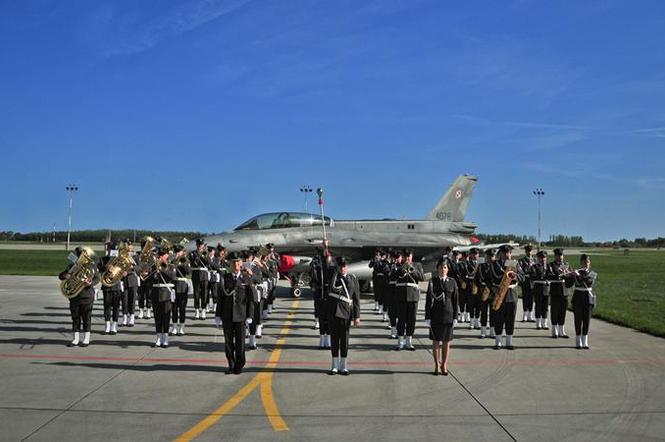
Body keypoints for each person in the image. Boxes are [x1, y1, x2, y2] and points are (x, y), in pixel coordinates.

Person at [219, 253, 254, 374]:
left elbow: (251, 298)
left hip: (241, 314)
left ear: (241, 264)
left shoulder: (246, 278)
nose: (235, 264)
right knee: (228, 342)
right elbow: (221, 297)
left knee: (240, 342)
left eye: (237, 262)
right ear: (230, 264)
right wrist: (218, 315)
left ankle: (240, 364)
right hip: (227, 315)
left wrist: (250, 315)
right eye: (233, 262)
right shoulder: (225, 278)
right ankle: (231, 364)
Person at [59, 247, 99, 347]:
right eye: (80, 255)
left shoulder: (92, 266)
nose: (81, 257)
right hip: (74, 296)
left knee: (87, 318)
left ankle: (86, 338)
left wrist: (90, 283)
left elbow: (97, 279)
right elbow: (60, 276)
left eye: (83, 255)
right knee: (75, 318)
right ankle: (75, 339)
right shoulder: (72, 265)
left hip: (87, 295)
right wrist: (65, 275)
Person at [327, 257, 361, 375]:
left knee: (345, 340)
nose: (342, 268)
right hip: (333, 312)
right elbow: (327, 262)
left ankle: (344, 366)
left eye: (344, 266)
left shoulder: (353, 279)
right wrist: (325, 248)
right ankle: (334, 366)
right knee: (334, 339)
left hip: (346, 313)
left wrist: (357, 316)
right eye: (341, 266)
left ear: (347, 267)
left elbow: (356, 299)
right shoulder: (333, 276)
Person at [425, 260, 458, 375]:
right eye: (440, 267)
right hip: (435, 315)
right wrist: (427, 317)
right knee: (435, 341)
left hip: (448, 314)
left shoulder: (452, 282)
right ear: (437, 269)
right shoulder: (433, 282)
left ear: (447, 269)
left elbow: (455, 300)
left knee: (446, 342)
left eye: (445, 267)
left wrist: (455, 317)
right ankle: (436, 365)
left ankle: (444, 365)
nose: (443, 270)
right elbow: (429, 300)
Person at [489, 245, 524, 350]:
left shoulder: (515, 264)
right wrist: (492, 288)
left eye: (508, 253)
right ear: (500, 254)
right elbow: (488, 279)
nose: (507, 255)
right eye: (504, 253)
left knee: (510, 319)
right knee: (498, 318)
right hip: (499, 293)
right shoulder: (494, 264)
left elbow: (523, 277)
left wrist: (515, 276)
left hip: (511, 294)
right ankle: (498, 342)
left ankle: (509, 342)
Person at [395, 249, 424, 351]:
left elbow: (422, 278)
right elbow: (393, 277)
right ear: (403, 257)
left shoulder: (417, 265)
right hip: (401, 296)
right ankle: (400, 342)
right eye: (406, 256)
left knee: (411, 320)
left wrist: (413, 270)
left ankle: (409, 342)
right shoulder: (398, 265)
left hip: (413, 296)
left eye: (409, 256)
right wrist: (401, 268)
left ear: (412, 257)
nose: (407, 258)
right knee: (401, 320)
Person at [150, 248, 176, 348]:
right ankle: (158, 338)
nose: (162, 257)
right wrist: (154, 272)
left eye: (163, 256)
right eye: (160, 256)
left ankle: (165, 338)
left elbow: (172, 277)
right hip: (156, 294)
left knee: (166, 317)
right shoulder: (153, 266)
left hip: (166, 294)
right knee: (157, 317)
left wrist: (162, 269)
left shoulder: (171, 266)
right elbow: (149, 280)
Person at [572, 254, 597, 349]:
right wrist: (569, 275)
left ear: (590, 263)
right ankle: (578, 340)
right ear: (580, 263)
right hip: (578, 298)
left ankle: (585, 341)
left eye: (587, 262)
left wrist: (577, 275)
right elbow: (572, 284)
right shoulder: (577, 272)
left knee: (586, 320)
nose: (585, 264)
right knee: (578, 320)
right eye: (583, 262)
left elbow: (587, 282)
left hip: (588, 299)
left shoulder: (593, 273)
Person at [310, 248, 334, 349]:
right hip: (320, 296)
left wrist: (326, 247)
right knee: (321, 318)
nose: (327, 259)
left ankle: (328, 340)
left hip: (329, 297)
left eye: (328, 257)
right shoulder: (318, 268)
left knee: (328, 320)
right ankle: (322, 340)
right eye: (325, 257)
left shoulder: (333, 269)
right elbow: (312, 280)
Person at [549, 248, 575, 339]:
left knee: (563, 311)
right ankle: (554, 330)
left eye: (561, 255)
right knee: (555, 311)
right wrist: (559, 275)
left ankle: (562, 330)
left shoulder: (567, 265)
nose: (560, 257)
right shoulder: (551, 265)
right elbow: (547, 276)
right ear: (555, 256)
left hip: (565, 292)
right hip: (555, 291)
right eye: (558, 255)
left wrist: (571, 276)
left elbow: (571, 277)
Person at [99, 242, 123, 335]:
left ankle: (114, 326)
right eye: (109, 249)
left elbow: (123, 270)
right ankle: (107, 325)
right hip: (106, 286)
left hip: (116, 286)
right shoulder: (103, 259)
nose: (111, 251)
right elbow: (98, 269)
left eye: (113, 249)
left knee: (116, 307)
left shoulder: (119, 260)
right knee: (107, 307)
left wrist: (120, 271)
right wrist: (106, 267)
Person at [475, 249, 496, 338]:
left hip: (494, 292)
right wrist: (481, 287)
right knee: (483, 312)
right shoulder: (481, 266)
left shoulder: (497, 266)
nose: (491, 258)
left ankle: (492, 332)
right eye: (489, 256)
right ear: (486, 257)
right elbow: (476, 279)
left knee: (493, 312)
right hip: (484, 291)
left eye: (492, 256)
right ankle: (483, 332)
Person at [171, 245, 191, 336]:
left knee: (182, 308)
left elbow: (188, 272)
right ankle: (174, 327)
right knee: (174, 308)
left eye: (180, 252)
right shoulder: (172, 260)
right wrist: (175, 260)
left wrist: (183, 263)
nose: (178, 253)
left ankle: (181, 328)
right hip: (174, 285)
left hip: (182, 286)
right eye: (177, 252)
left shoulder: (186, 260)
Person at [189, 239, 210, 320]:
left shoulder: (206, 253)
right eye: (198, 244)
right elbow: (192, 263)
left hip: (204, 275)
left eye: (201, 244)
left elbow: (208, 263)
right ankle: (197, 310)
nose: (200, 246)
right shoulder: (192, 253)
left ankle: (203, 310)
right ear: (197, 245)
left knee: (204, 293)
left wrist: (203, 256)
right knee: (196, 293)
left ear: (203, 245)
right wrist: (197, 257)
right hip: (196, 274)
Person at [530, 250, 551, 330]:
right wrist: (542, 277)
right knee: (538, 306)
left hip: (546, 289)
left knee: (545, 307)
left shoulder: (548, 266)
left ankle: (544, 323)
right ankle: (538, 323)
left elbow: (551, 276)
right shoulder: (534, 267)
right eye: (541, 257)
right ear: (538, 258)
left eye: (544, 257)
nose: (543, 259)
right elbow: (533, 276)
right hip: (538, 288)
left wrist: (548, 280)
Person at [121, 241, 139, 327]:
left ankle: (131, 318)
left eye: (130, 246)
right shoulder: (121, 256)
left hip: (132, 280)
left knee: (132, 300)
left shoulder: (136, 256)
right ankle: (124, 318)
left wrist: (133, 267)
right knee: (124, 300)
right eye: (127, 246)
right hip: (123, 280)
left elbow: (140, 268)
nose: (129, 247)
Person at [518, 244, 535, 323]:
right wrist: (527, 268)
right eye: (528, 251)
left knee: (531, 298)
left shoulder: (535, 260)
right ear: (525, 251)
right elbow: (520, 271)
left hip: (532, 281)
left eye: (530, 251)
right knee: (525, 298)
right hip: (525, 280)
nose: (529, 253)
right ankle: (525, 315)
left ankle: (530, 315)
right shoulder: (521, 260)